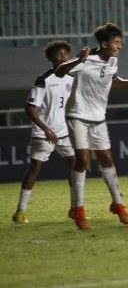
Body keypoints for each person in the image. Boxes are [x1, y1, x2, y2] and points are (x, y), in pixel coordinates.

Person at [55, 23, 128, 229]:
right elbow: (59, 72)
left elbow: (111, 81)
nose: (120, 46)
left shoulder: (112, 61)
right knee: (83, 159)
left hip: (98, 117)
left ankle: (118, 204)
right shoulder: (87, 59)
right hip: (77, 114)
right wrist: (79, 58)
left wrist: (127, 82)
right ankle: (79, 210)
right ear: (104, 43)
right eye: (116, 42)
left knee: (107, 159)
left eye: (121, 42)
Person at [12, 41, 76, 224]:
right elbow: (30, 108)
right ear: (51, 58)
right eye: (58, 54)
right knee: (35, 168)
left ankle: (74, 208)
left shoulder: (71, 78)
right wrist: (46, 129)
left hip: (63, 131)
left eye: (66, 53)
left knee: (76, 163)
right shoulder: (43, 79)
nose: (63, 56)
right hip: (43, 132)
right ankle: (20, 211)